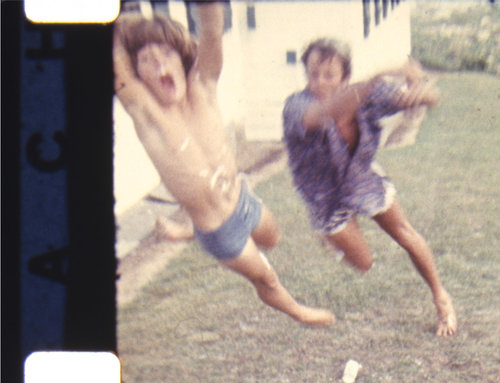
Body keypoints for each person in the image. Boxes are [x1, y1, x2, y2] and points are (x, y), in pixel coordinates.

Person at [113, 5, 334, 328]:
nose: (159, 63)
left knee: (273, 239)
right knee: (266, 278)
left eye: (166, 54)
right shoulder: (146, 112)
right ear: (138, 75)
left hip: (242, 199)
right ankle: (300, 313)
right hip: (218, 229)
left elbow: (212, 30)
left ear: (182, 58)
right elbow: (117, 56)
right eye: (147, 60)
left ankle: (187, 232)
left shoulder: (203, 85)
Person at [282, 39, 457, 337]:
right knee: (364, 263)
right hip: (323, 193)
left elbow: (430, 96)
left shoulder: (368, 95)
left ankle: (442, 298)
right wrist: (378, 74)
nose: (318, 82)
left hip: (360, 175)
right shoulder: (296, 105)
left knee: (405, 233)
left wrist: (419, 89)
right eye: (312, 74)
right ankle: (330, 237)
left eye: (328, 75)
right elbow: (324, 113)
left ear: (345, 78)